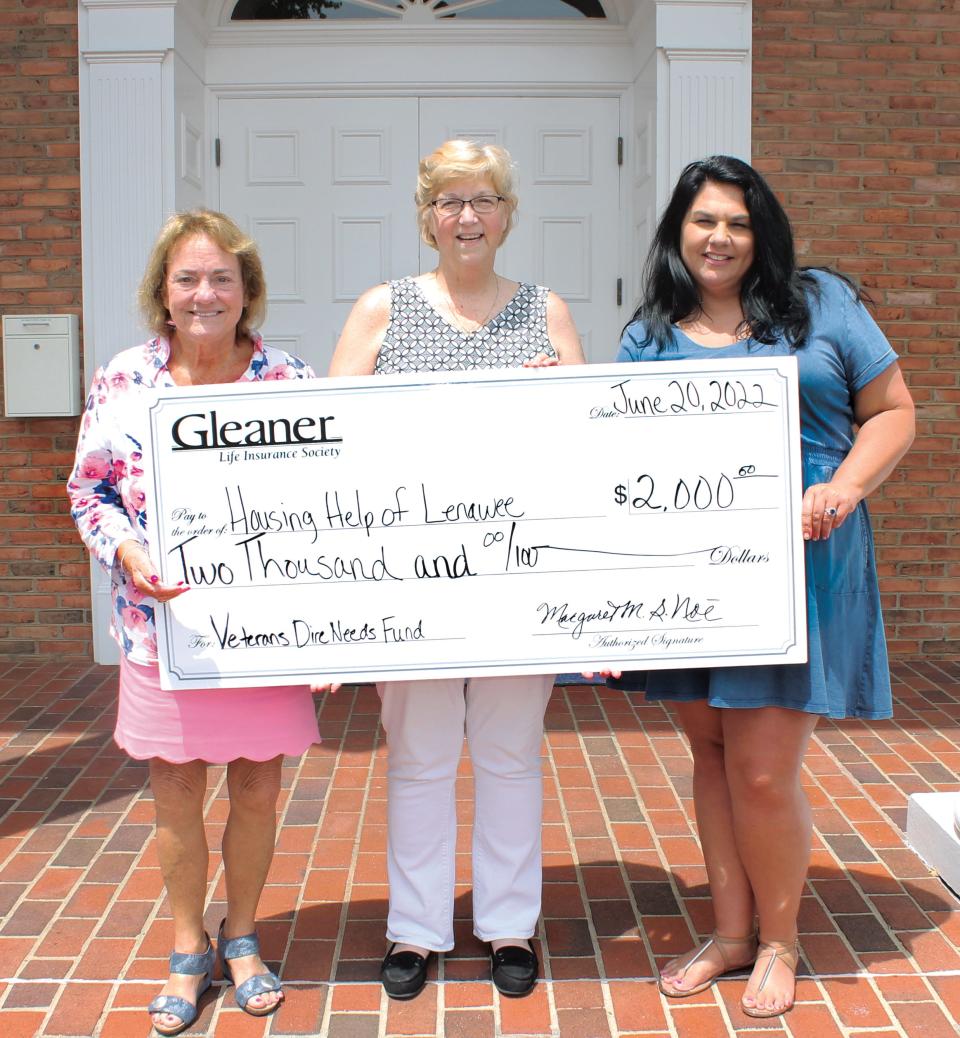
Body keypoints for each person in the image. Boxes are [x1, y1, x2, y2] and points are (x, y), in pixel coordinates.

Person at [612, 155, 914, 1018]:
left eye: (739, 223)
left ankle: (780, 940)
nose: (721, 238)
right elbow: (611, 449)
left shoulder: (820, 305)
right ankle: (731, 934)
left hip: (804, 561)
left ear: (762, 233)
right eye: (705, 221)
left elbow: (894, 410)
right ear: (678, 231)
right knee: (710, 755)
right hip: (694, 571)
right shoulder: (650, 333)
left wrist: (847, 486)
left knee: (760, 770)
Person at [320, 139, 584, 1000]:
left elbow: (584, 444)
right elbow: (329, 443)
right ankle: (417, 929)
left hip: (516, 577)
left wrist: (559, 398)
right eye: (449, 201)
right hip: (413, 582)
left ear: (509, 213)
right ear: (426, 216)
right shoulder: (381, 309)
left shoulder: (547, 311)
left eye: (483, 200)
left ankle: (509, 927)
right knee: (420, 758)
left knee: (510, 756)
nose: (466, 217)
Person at [67, 210, 320, 1035]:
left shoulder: (288, 379)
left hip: (263, 629)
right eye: (188, 279)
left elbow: (336, 492)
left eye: (222, 278)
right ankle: (187, 945)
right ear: (162, 294)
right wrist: (128, 553)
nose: (205, 293)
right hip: (160, 630)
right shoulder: (124, 379)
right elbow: (88, 490)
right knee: (175, 792)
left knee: (255, 789)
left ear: (247, 292)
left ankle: (241, 937)